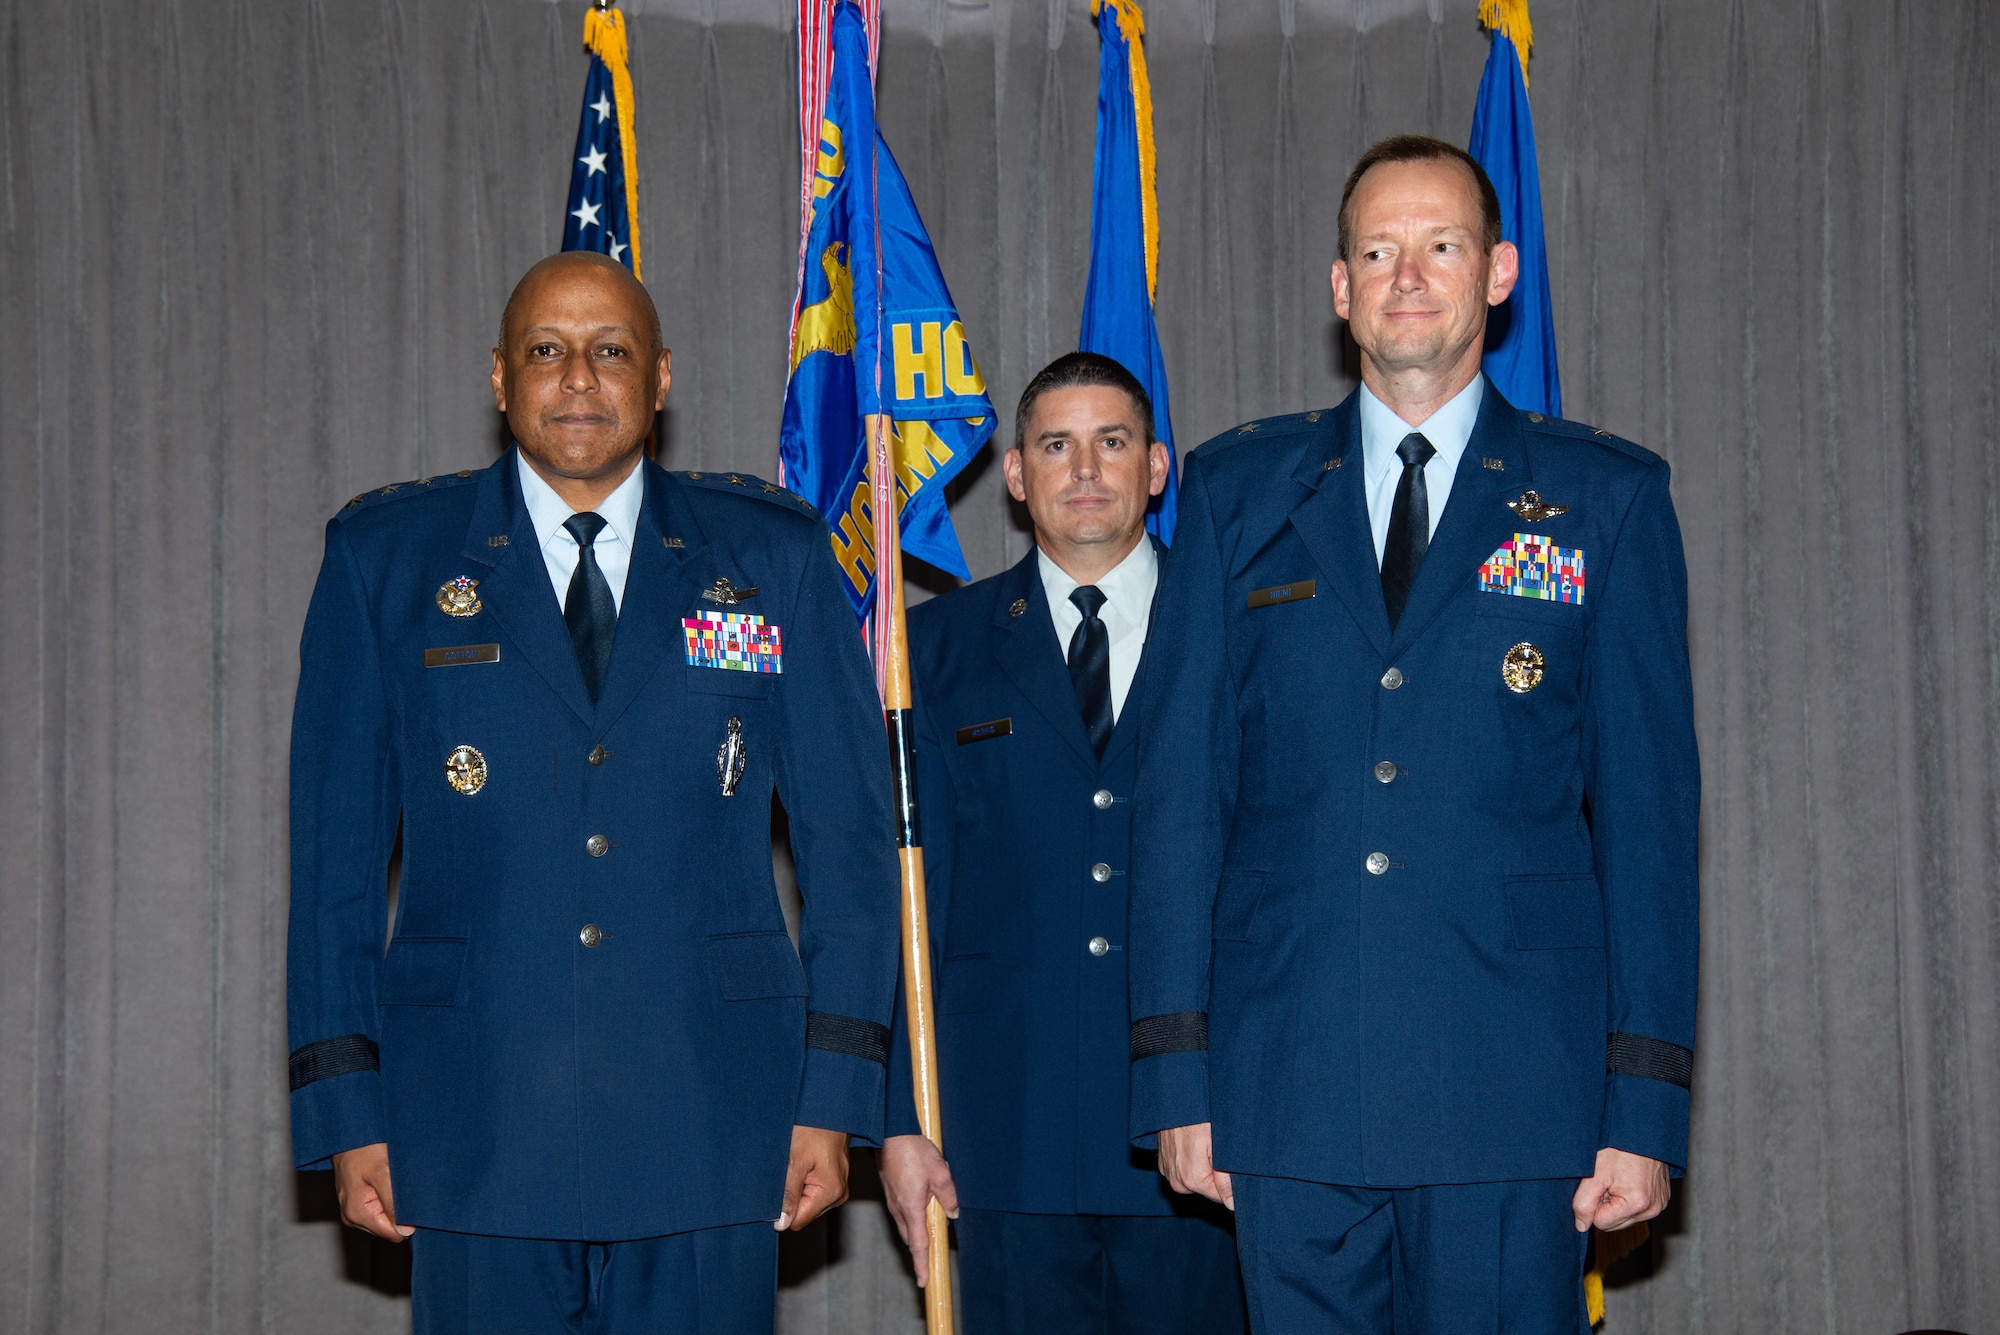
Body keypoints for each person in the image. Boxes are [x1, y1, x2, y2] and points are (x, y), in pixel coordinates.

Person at [1128, 135, 1700, 1333]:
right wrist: (1175, 1072)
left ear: (1495, 272)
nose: (1405, 276)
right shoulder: (1239, 490)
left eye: (1437, 247)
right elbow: (1181, 798)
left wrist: (1640, 1106)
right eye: (1376, 250)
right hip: (1285, 1086)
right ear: (1339, 288)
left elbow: (1649, 824)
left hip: (1510, 1089)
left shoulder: (1605, 498)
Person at [285, 251, 899, 1334]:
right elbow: (331, 868)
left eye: (609, 351)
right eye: (546, 352)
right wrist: (346, 1110)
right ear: (497, 378)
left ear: (660, 377)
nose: (578, 378)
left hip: (711, 1115)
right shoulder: (384, 560)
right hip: (473, 1120)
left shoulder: (771, 554)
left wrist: (834, 1100)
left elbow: (850, 851)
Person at [880, 353, 1247, 1334]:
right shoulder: (935, 651)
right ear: (1014, 474)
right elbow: (904, 907)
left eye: (1112, 441)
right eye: (1055, 444)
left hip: (1198, 1139)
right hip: (1003, 1145)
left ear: (1157, 466)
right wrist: (896, 1122)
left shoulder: (1241, 632)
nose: (1084, 468)